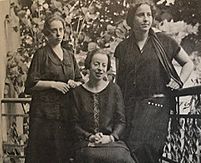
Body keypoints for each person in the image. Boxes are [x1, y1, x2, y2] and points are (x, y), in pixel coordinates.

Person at [114, 1, 194, 163]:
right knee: (129, 151)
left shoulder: (164, 41)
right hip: (130, 108)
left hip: (156, 107)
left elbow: (188, 63)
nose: (146, 19)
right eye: (141, 15)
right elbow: (119, 81)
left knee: (147, 150)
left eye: (149, 15)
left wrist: (179, 82)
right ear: (131, 19)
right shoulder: (122, 48)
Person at [24, 14, 83, 163]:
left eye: (61, 30)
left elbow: (79, 80)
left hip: (65, 113)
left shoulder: (69, 55)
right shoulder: (41, 54)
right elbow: (30, 84)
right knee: (43, 153)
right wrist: (54, 84)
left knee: (62, 152)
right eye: (54, 30)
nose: (58, 34)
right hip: (44, 115)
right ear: (47, 33)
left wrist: (73, 83)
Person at [71, 49, 136, 163]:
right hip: (87, 143)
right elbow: (74, 124)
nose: (100, 68)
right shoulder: (77, 93)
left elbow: (121, 121)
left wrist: (110, 137)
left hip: (111, 142)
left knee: (122, 157)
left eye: (104, 65)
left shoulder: (114, 90)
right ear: (88, 65)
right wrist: (90, 136)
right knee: (89, 156)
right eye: (96, 64)